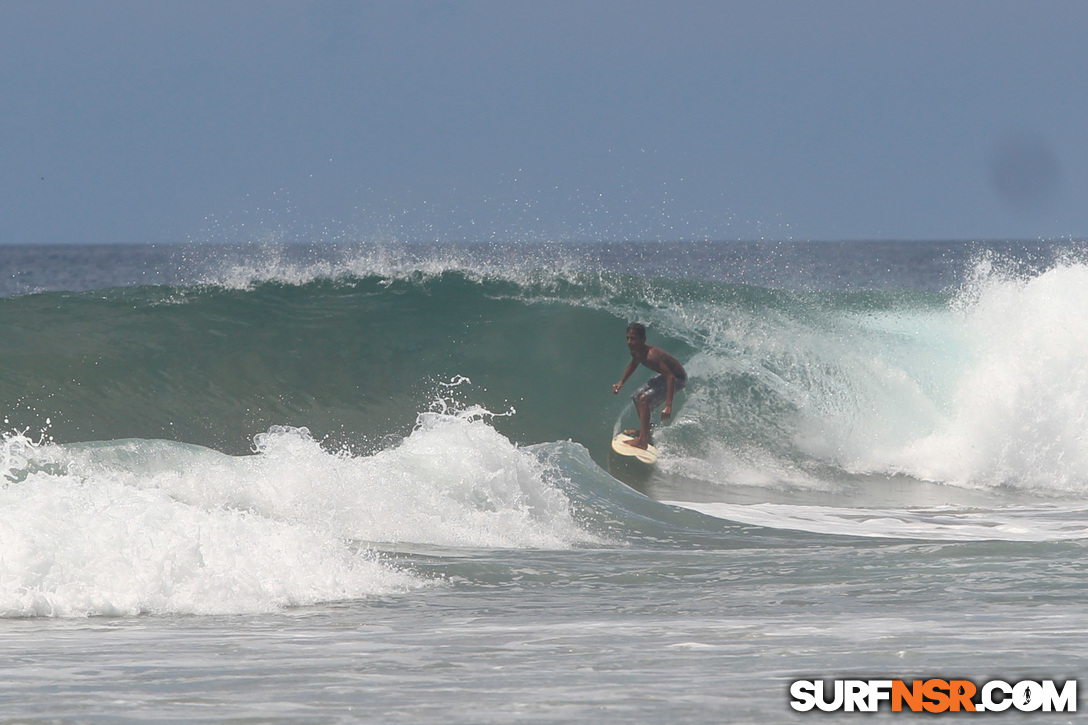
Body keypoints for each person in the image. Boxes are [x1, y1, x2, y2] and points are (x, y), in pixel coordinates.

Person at [612, 322, 687, 450]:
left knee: (644, 399)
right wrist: (621, 382)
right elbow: (634, 364)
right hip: (666, 377)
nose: (629, 342)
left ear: (643, 340)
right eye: (628, 338)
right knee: (636, 396)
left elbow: (671, 377)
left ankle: (643, 441)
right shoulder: (635, 351)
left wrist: (668, 405)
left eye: (633, 338)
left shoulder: (652, 355)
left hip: (677, 379)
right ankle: (645, 432)